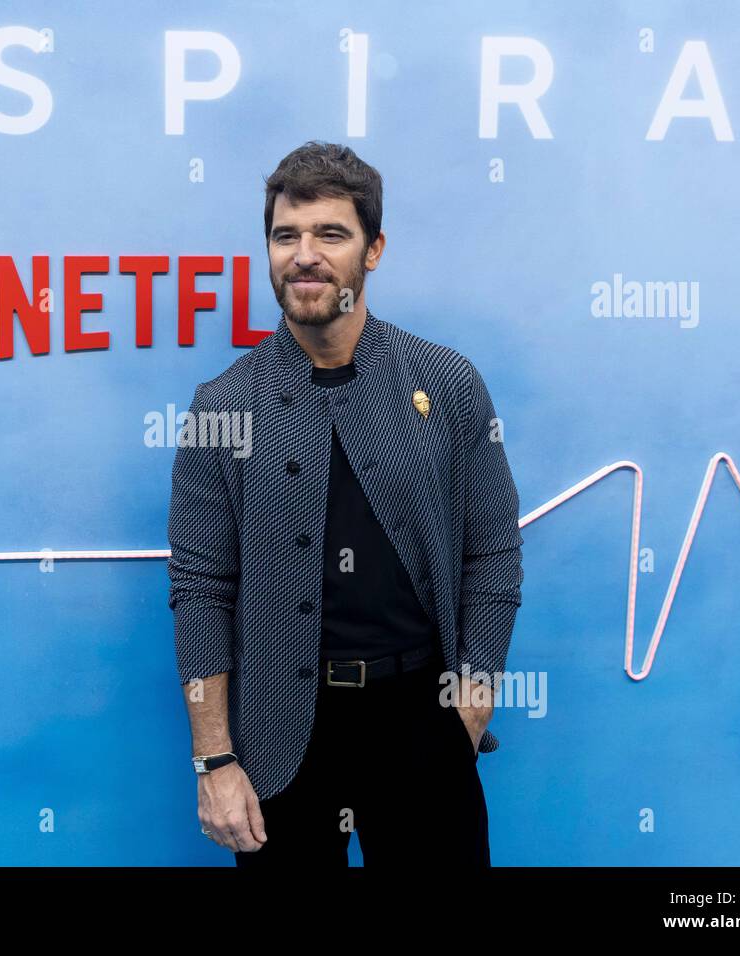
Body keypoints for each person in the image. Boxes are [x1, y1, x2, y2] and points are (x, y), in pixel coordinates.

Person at [166, 140, 524, 866]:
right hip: (278, 734)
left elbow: (493, 553)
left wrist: (472, 700)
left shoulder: (449, 386)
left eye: (331, 234)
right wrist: (214, 763)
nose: (305, 255)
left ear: (373, 249)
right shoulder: (222, 407)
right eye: (285, 235)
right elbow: (200, 593)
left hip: (423, 719)